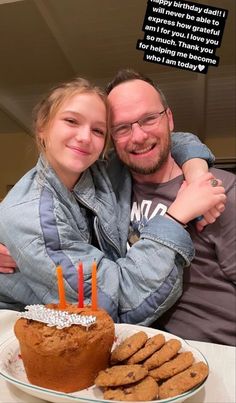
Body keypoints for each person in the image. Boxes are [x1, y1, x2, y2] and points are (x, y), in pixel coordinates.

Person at [0, 77, 225, 327]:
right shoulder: (32, 216)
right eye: (71, 121)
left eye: (98, 130)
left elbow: (160, 140)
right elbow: (108, 308)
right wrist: (176, 217)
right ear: (42, 127)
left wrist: (197, 175)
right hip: (26, 331)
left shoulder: (100, 170)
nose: (85, 137)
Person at [106, 69, 236, 345]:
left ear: (170, 119)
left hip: (219, 354)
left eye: (149, 119)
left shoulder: (219, 189)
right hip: (138, 352)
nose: (138, 136)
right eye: (122, 127)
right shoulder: (107, 193)